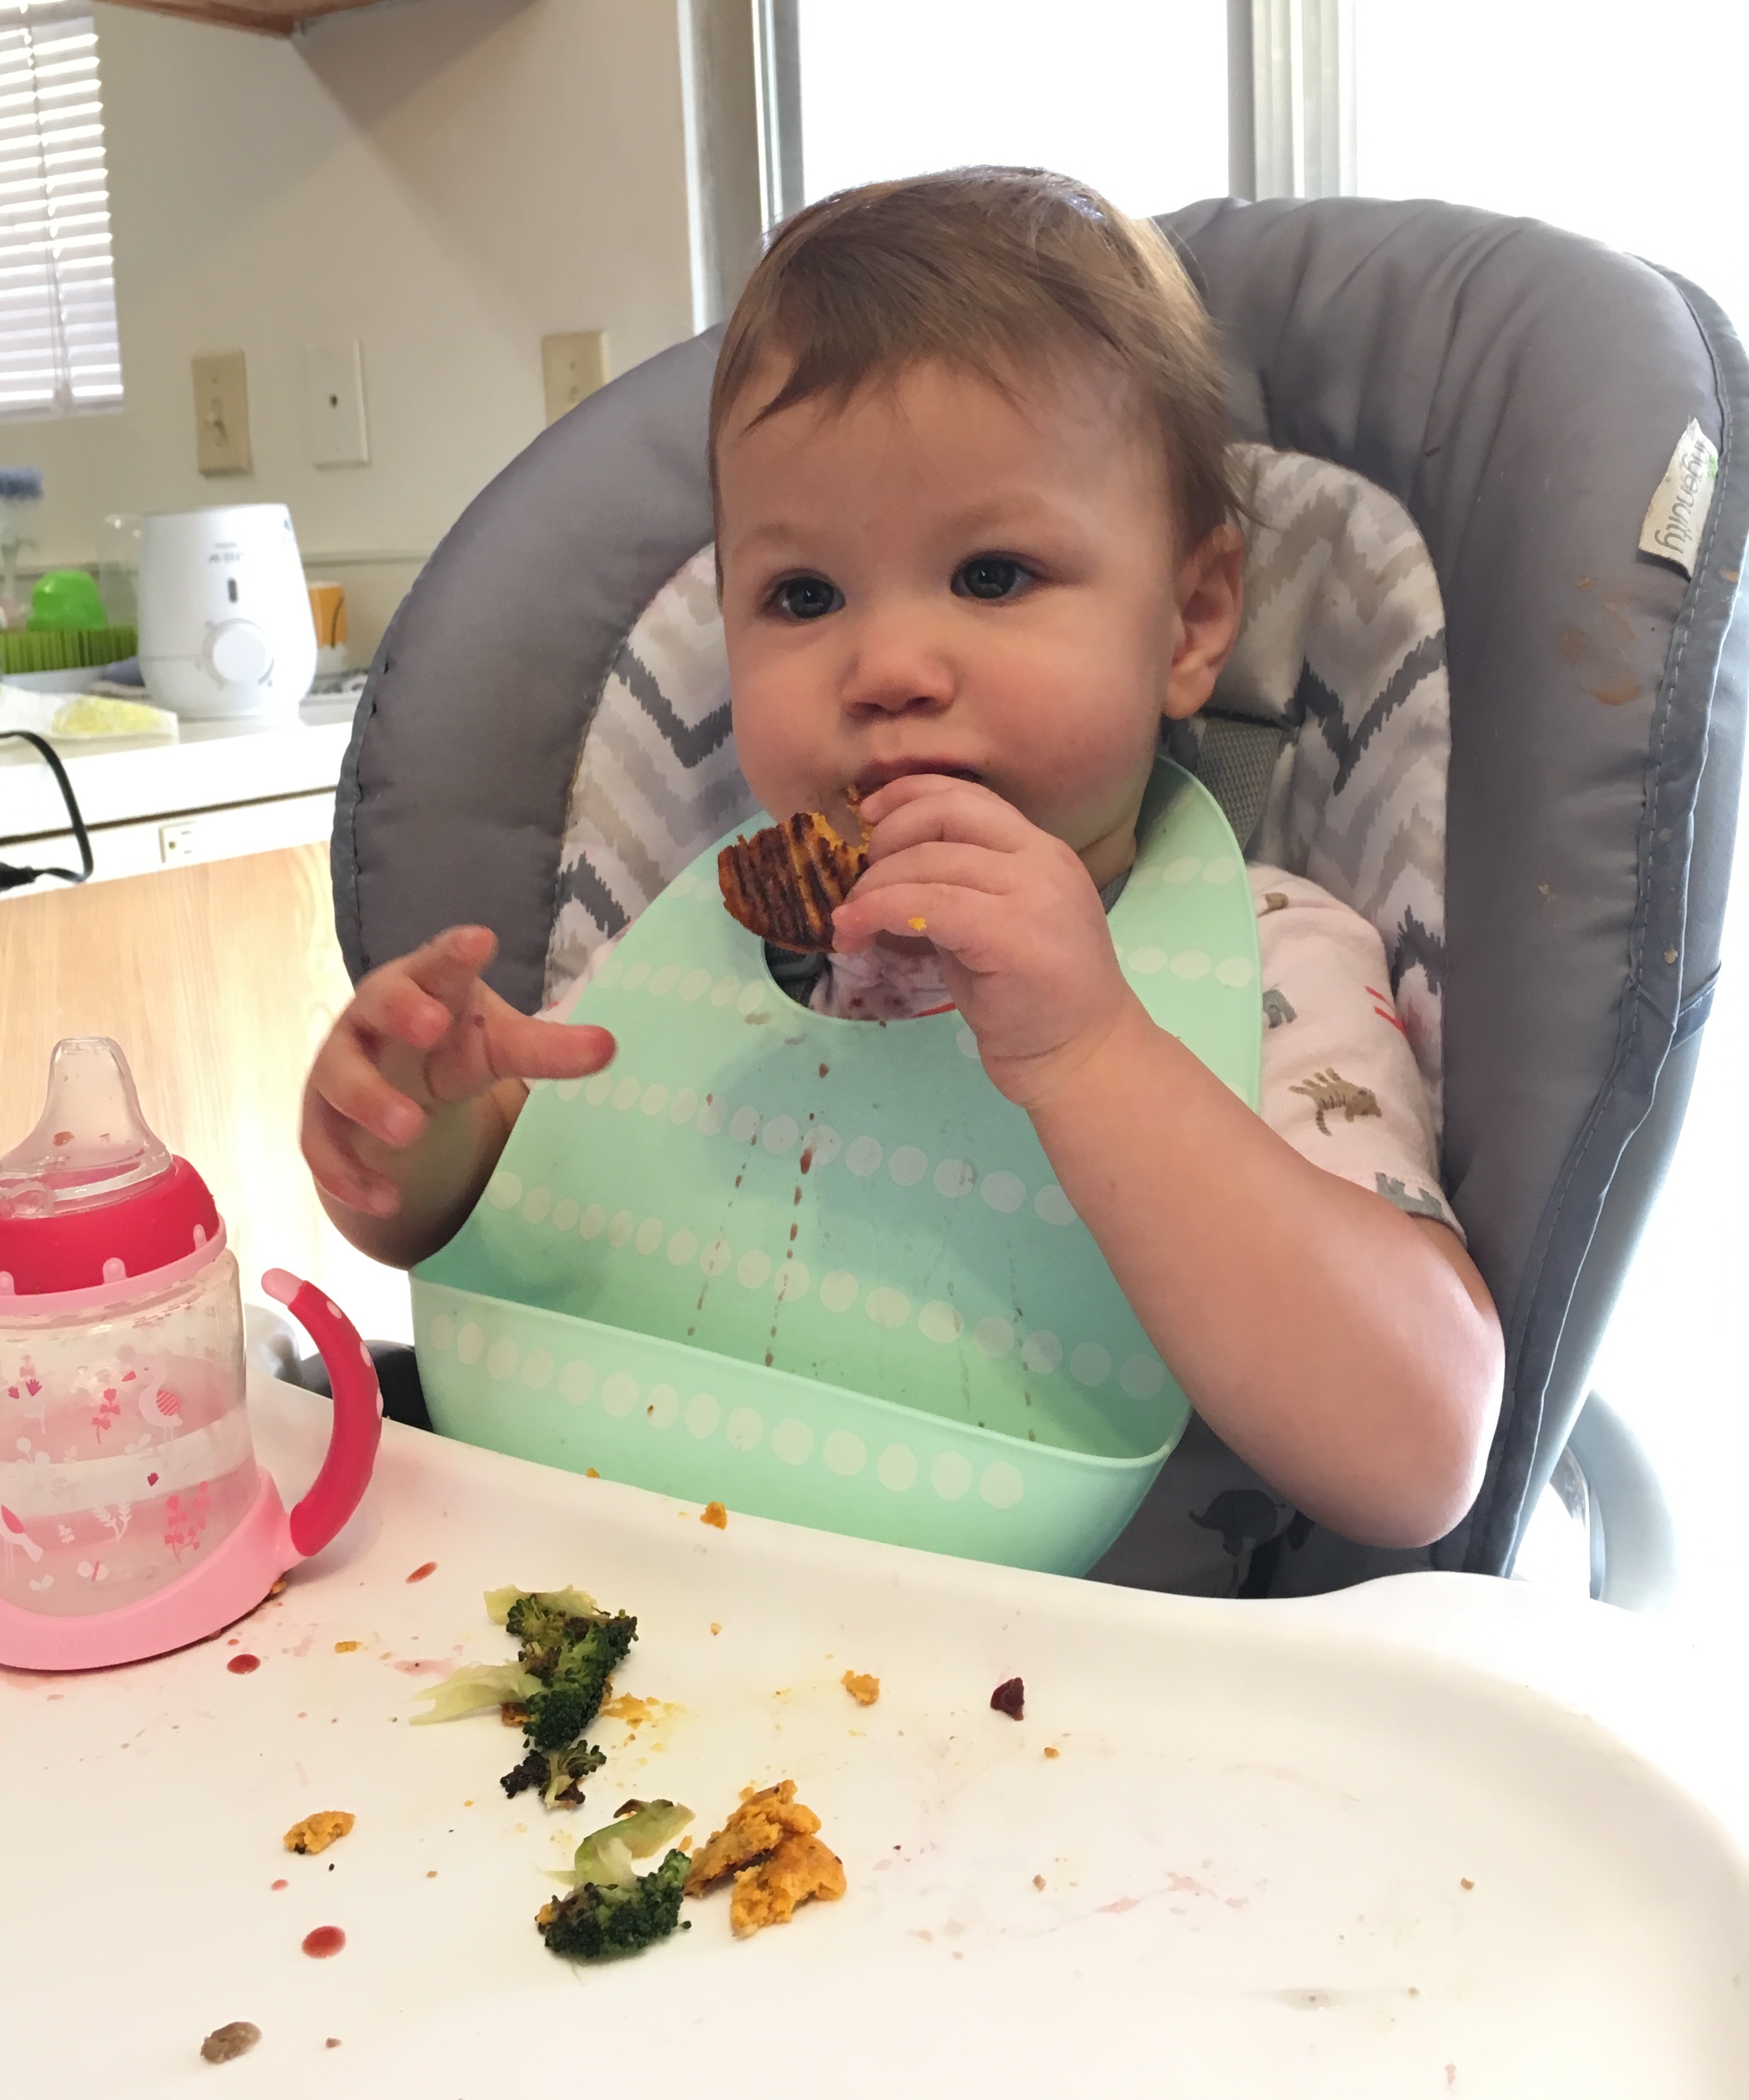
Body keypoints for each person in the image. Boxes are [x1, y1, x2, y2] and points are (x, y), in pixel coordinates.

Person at [301, 170, 1503, 1574]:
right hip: (645, 1620)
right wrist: (423, 1145)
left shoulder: (1273, 964)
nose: (886, 669)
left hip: (1099, 1675)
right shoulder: (696, 952)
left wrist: (1096, 1054)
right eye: (804, 597)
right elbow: (534, 1246)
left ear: (1190, 622)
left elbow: (1424, 1453)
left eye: (992, 576)